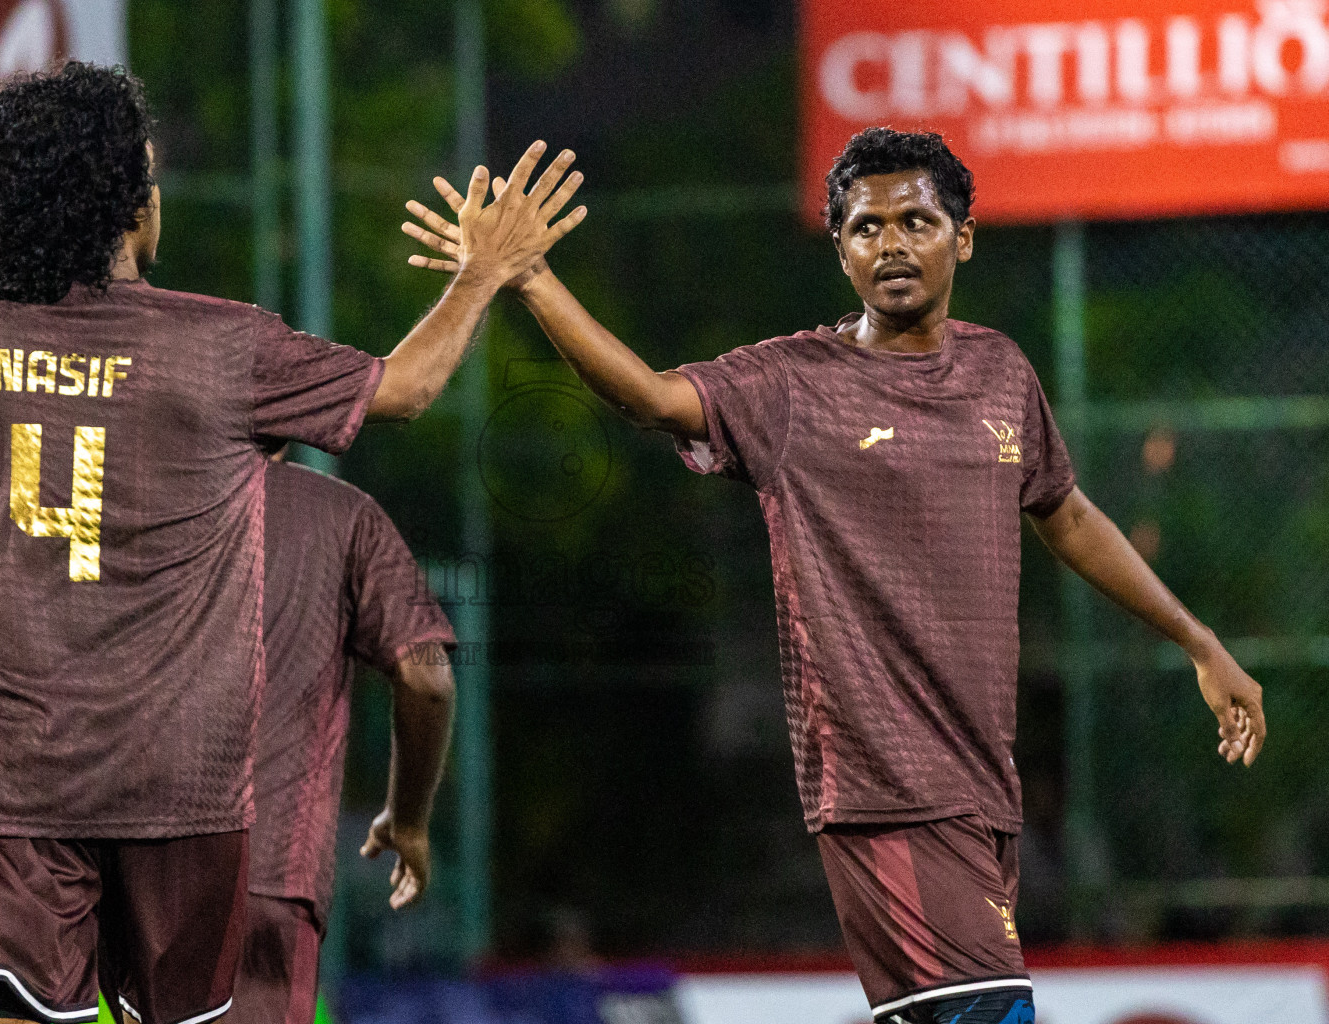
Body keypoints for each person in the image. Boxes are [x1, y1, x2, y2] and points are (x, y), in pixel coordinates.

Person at [402, 127, 1265, 1024]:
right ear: (840, 249)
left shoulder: (999, 370)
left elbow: (1069, 515)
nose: (891, 243)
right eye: (865, 228)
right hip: (883, 785)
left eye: (915, 221)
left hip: (979, 783)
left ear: (961, 236)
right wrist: (532, 276)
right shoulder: (792, 385)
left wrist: (1196, 640)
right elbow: (650, 398)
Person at [0, 62, 582, 1024]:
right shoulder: (222, 349)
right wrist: (479, 274)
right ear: (133, 200)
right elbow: (406, 388)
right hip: (176, 776)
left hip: (2, 771)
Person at [231, 452, 457, 1024]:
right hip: (268, 866)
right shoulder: (342, 516)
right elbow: (428, 676)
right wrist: (406, 818)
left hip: (125, 861)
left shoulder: (128, 491)